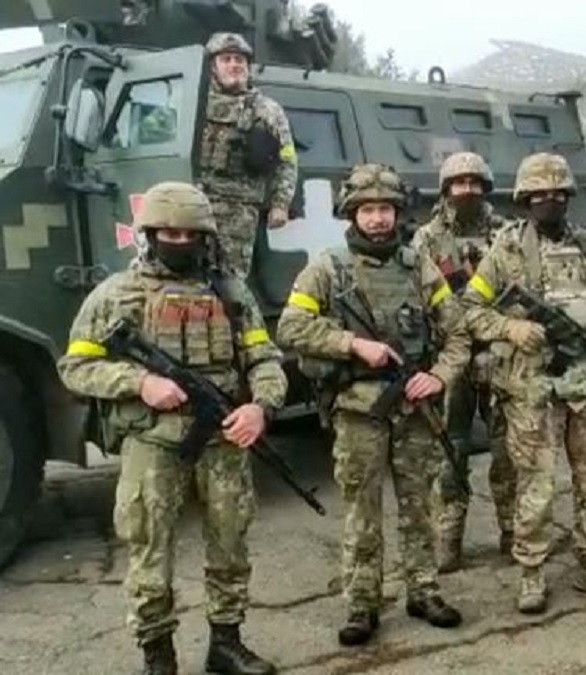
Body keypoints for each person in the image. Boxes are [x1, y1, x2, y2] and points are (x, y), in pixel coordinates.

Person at [57, 181, 285, 675]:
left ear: (205, 237)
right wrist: (139, 382)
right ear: (150, 234)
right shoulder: (117, 294)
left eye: (190, 235)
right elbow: (75, 366)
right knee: (149, 550)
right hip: (153, 441)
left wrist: (260, 407)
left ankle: (226, 644)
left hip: (223, 436)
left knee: (230, 543)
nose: (180, 242)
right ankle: (158, 655)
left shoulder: (230, 291)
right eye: (169, 234)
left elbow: (264, 357)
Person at [275, 164, 468, 646]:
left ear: (397, 213)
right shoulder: (328, 268)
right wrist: (352, 344)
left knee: (419, 504)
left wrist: (438, 376)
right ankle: (363, 603)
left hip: (415, 408)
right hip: (359, 410)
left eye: (385, 209)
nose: (378, 218)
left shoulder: (418, 266)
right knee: (362, 509)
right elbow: (290, 328)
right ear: (353, 214)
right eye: (368, 210)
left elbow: (459, 333)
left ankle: (423, 590)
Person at [460, 152, 586, 614]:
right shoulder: (506, 250)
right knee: (537, 486)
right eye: (540, 195)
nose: (550, 201)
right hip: (533, 389)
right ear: (525, 199)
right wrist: (511, 328)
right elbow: (470, 310)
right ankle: (532, 572)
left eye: (558, 194)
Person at [411, 151, 516, 572]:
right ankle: (449, 536)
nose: (466, 190)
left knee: (506, 447)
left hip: (498, 353)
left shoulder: (506, 234)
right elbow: (418, 295)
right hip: (450, 357)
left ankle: (513, 530)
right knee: (450, 448)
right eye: (459, 183)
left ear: (485, 188)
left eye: (474, 183)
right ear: (446, 189)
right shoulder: (426, 239)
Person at [198, 32, 298, 278]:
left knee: (229, 278)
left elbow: (287, 158)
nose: (234, 65)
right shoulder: (195, 103)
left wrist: (280, 204)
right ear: (213, 67)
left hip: (239, 209)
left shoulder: (267, 110)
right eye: (226, 59)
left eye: (240, 60)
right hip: (196, 201)